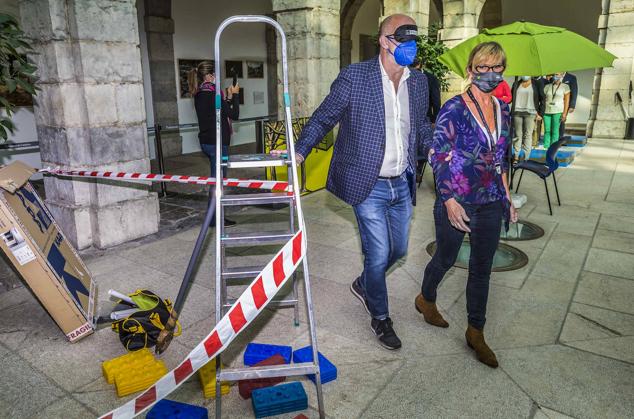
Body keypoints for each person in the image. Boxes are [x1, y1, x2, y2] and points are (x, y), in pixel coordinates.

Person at [273, 14, 433, 350]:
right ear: (384, 40)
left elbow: (421, 129)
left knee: (399, 250)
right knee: (378, 255)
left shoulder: (417, 83)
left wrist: (440, 155)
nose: (410, 45)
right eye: (403, 38)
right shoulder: (355, 77)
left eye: (414, 39)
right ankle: (380, 317)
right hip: (367, 182)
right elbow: (324, 116)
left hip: (401, 181)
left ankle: (364, 284)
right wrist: (299, 152)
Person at [414, 41, 518, 368]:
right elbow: (439, 154)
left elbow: (501, 160)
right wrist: (448, 199)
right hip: (457, 200)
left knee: (481, 268)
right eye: (482, 67)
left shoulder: (503, 111)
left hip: (489, 202)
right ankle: (425, 298)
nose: (489, 74)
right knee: (445, 257)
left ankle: (476, 331)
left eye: (496, 67)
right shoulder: (455, 108)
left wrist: (507, 197)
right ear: (470, 70)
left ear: (503, 70)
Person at [189, 60, 240, 226]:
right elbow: (234, 114)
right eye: (216, 74)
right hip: (218, 143)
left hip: (206, 141)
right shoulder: (214, 94)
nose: (218, 77)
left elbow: (216, 112)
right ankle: (214, 218)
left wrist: (229, 97)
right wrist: (236, 95)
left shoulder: (199, 93)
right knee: (219, 181)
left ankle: (214, 216)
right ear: (210, 75)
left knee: (215, 179)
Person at [510, 76, 545, 163]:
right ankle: (516, 156)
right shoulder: (516, 83)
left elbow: (543, 99)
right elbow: (511, 97)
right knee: (518, 135)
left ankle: (526, 157)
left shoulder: (537, 84)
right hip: (517, 111)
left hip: (531, 112)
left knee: (528, 135)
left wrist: (541, 113)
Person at [542, 72, 570, 149]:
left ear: (561, 76)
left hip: (558, 111)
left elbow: (566, 101)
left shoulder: (565, 86)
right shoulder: (547, 86)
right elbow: (543, 99)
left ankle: (553, 148)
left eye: (558, 74)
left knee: (555, 131)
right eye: (555, 75)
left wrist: (564, 113)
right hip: (547, 111)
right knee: (547, 130)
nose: (556, 76)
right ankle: (546, 146)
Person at [545, 72, 577, 137]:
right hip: (552, 104)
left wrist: (572, 105)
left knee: (561, 121)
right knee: (551, 123)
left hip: (564, 103)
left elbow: (574, 91)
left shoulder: (571, 77)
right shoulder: (553, 76)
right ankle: (552, 138)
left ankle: (559, 138)